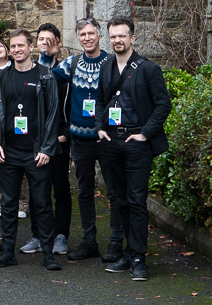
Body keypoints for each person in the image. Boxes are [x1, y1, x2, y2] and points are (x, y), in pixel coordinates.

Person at [95, 16, 171, 282]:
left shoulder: (148, 69)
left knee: (137, 201)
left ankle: (139, 257)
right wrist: (100, 127)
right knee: (118, 200)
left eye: (122, 36)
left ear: (132, 38)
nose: (117, 40)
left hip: (136, 144)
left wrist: (144, 134)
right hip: (111, 142)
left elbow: (163, 105)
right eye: (113, 36)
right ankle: (126, 253)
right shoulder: (106, 67)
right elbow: (100, 100)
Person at [0, 30, 63, 271]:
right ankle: (7, 251)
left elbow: (53, 114)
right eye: (13, 46)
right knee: (8, 204)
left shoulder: (45, 75)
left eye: (21, 45)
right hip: (8, 152)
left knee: (41, 203)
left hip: (36, 152)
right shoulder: (1, 77)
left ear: (31, 47)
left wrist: (47, 148)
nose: (17, 49)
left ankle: (48, 253)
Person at [59, 17, 118, 260]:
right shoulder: (71, 63)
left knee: (115, 192)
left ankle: (116, 241)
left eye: (91, 33)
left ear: (99, 36)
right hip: (80, 139)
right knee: (84, 191)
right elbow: (47, 78)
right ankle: (89, 240)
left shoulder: (112, 63)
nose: (87, 38)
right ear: (78, 37)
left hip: (107, 138)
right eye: (82, 34)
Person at [35, 20, 71, 255]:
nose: (45, 44)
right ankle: (38, 235)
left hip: (58, 138)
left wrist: (65, 134)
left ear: (57, 44)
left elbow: (72, 103)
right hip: (34, 140)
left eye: (50, 41)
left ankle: (61, 235)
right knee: (39, 189)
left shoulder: (65, 71)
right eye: (41, 40)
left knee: (60, 188)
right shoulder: (27, 68)